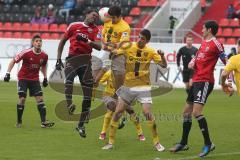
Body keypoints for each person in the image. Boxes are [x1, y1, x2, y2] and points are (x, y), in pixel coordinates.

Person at [102, 29, 167, 151]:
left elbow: (164, 65)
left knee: (147, 112)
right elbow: (116, 51)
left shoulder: (151, 51)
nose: (139, 39)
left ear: (147, 40)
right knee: (117, 112)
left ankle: (157, 142)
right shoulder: (129, 47)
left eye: (142, 38)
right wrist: (111, 51)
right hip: (128, 86)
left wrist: (162, 56)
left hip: (143, 87)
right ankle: (110, 143)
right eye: (139, 37)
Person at [169, 20, 227, 157]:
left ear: (210, 30)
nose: (201, 30)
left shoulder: (216, 44)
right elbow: (199, 59)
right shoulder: (203, 43)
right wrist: (193, 62)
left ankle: (208, 144)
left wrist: (228, 80)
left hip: (205, 81)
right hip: (196, 80)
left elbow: (227, 62)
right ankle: (183, 143)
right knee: (186, 112)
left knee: (196, 112)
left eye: (203, 28)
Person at [55, 9, 102, 138]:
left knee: (88, 96)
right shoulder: (74, 25)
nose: (94, 18)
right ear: (86, 14)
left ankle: (80, 125)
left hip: (86, 62)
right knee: (68, 80)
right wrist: (58, 59)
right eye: (93, 15)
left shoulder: (96, 30)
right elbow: (62, 42)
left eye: (97, 17)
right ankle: (69, 104)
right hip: (73, 58)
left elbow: (99, 46)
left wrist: (87, 41)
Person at [3, 35, 54, 128]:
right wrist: (7, 73)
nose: (39, 43)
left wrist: (45, 77)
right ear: (33, 43)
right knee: (22, 99)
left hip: (35, 79)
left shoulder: (44, 55)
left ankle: (44, 122)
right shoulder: (26, 53)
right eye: (36, 41)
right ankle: (19, 121)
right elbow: (13, 61)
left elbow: (43, 66)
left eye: (40, 41)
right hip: (23, 78)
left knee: (40, 99)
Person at [94, 6, 131, 98]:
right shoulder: (108, 22)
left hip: (118, 53)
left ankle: (119, 94)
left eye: (113, 18)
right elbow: (103, 34)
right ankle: (95, 85)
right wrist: (103, 42)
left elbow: (123, 43)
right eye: (110, 17)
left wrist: (112, 47)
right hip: (107, 50)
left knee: (118, 76)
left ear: (119, 16)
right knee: (97, 69)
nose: (112, 20)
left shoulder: (125, 27)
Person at [98, 70, 145, 141]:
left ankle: (140, 133)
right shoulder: (108, 73)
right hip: (109, 96)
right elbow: (99, 81)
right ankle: (103, 132)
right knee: (111, 110)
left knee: (132, 112)